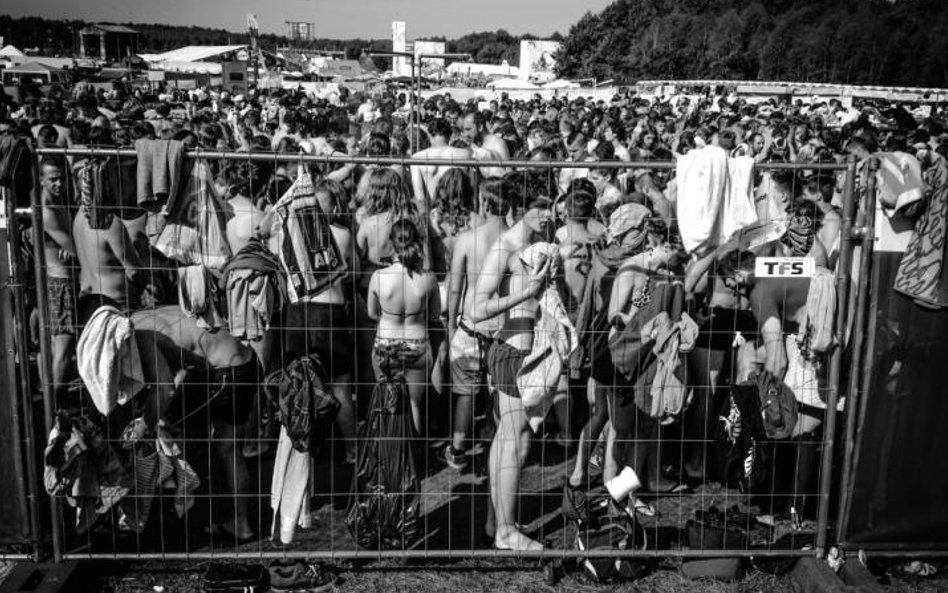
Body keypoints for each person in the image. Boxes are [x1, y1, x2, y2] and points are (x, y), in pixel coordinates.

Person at [470, 173, 555, 551]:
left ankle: (496, 522)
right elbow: (476, 308)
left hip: (531, 353)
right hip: (512, 353)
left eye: (551, 205)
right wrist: (526, 292)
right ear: (521, 207)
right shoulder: (504, 247)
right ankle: (506, 532)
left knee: (511, 440)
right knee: (515, 440)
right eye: (541, 206)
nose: (549, 213)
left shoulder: (540, 243)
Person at [131, 305, 260, 543]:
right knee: (225, 446)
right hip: (245, 361)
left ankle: (188, 511)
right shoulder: (144, 317)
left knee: (186, 435)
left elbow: (165, 389)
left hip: (228, 371)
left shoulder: (137, 335)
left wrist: (144, 425)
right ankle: (237, 522)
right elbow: (179, 370)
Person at [282, 178, 359, 463]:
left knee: (300, 384)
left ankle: (306, 449)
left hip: (298, 311)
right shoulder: (342, 233)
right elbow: (354, 273)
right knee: (340, 386)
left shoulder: (289, 231)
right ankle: (352, 449)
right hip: (328, 312)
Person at [442, 178, 511, 470]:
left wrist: (450, 326)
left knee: (466, 391)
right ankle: (498, 445)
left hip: (472, 323)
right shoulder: (517, 240)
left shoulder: (468, 239)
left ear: (484, 203)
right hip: (505, 325)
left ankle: (458, 449)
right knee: (499, 390)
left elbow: (454, 289)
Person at [366, 218, 442, 435]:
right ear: (416, 242)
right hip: (416, 345)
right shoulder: (428, 279)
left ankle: (388, 451)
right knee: (414, 405)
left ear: (392, 243)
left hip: (385, 345)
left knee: (386, 400)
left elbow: (371, 313)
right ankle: (413, 453)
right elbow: (434, 316)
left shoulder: (378, 277)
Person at [40, 158, 78, 400]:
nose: (59, 184)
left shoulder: (60, 203)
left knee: (59, 348)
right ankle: (56, 405)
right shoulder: (48, 212)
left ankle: (52, 402)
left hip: (63, 281)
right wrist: (75, 245)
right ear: (41, 180)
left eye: (62, 178)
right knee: (63, 348)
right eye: (53, 179)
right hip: (60, 283)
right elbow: (77, 249)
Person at [410, 118, 472, 204]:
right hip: (455, 207)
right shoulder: (464, 154)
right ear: (450, 135)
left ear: (429, 135)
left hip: (431, 208)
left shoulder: (417, 158)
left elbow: (419, 196)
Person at [460, 111, 509, 180]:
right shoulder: (471, 145)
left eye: (468, 129)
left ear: (480, 127)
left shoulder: (496, 142)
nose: (465, 134)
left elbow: (508, 173)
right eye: (463, 130)